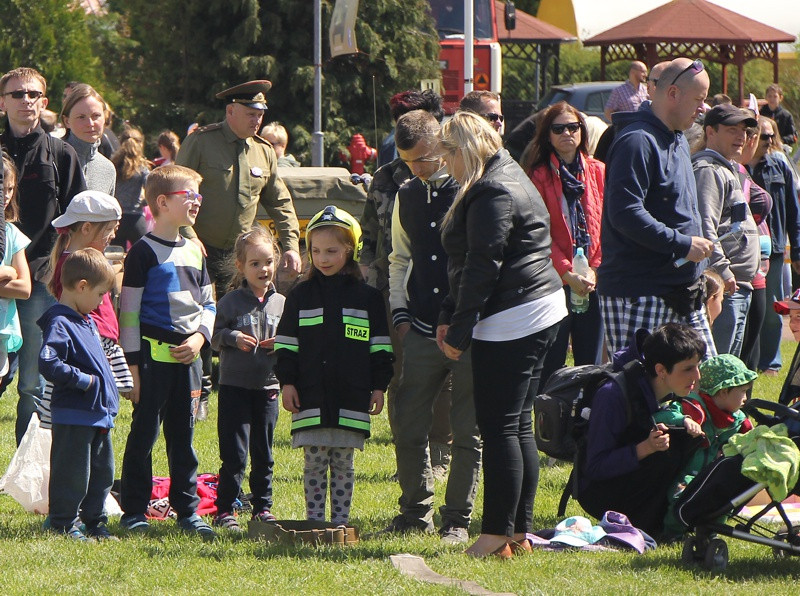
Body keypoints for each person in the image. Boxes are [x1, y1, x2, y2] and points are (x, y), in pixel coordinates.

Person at [438, 111, 566, 558]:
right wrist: (451, 312)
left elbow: (482, 264)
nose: (444, 163)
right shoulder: (508, 171)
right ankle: (517, 533)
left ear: (464, 150)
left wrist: (459, 327)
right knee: (517, 425)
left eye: (446, 153)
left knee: (499, 429)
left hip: (515, 316)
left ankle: (495, 535)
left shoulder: (491, 187)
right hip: (539, 308)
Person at [381, 110, 480, 544]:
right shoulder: (406, 192)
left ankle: (457, 518)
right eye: (408, 161)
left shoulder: (471, 188)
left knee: (466, 429)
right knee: (407, 421)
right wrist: (400, 313)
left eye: (424, 158)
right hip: (419, 326)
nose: (417, 169)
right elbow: (399, 258)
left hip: (467, 329)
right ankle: (414, 511)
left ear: (442, 145)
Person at [176, 79, 301, 421]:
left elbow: (280, 201)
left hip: (243, 258)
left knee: (241, 321)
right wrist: (187, 234)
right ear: (230, 111)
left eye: (260, 113)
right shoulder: (201, 142)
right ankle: (198, 392)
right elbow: (179, 189)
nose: (256, 120)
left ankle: (245, 383)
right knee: (198, 319)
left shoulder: (263, 151)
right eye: (249, 113)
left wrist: (290, 245)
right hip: (200, 248)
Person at [274, 206, 393, 525]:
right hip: (310, 397)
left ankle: (339, 523)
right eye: (315, 250)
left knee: (343, 464)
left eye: (332, 250)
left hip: (350, 398)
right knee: (313, 464)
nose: (323, 258)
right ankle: (316, 523)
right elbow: (286, 343)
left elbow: (380, 346)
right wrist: (287, 382)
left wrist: (379, 386)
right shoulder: (300, 295)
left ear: (350, 250)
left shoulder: (368, 299)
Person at [118, 164, 217, 539]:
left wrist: (199, 340)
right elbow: (128, 314)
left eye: (198, 196)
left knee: (185, 437)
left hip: (189, 360)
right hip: (151, 359)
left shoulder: (195, 250)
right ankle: (134, 510)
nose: (196, 203)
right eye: (189, 196)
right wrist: (133, 369)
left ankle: (188, 510)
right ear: (162, 202)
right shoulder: (142, 253)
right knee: (144, 434)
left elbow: (209, 305)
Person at [359, 89, 453, 477]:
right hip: (393, 288)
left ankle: (441, 452)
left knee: (444, 380)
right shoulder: (386, 179)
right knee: (400, 377)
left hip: (441, 291)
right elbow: (370, 234)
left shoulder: (455, 177)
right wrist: (367, 273)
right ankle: (408, 458)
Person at [598, 58, 716, 356]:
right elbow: (625, 213)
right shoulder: (636, 141)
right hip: (639, 293)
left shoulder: (675, 137)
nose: (703, 108)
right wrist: (682, 244)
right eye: (699, 99)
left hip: (681, 290)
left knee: (710, 387)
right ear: (673, 94)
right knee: (640, 395)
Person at [0, 67, 86, 445]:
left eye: (33, 94)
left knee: (32, 384)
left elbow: (76, 221)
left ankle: (23, 471)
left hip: (40, 282)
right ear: (2, 102)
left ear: (45, 102)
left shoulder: (61, 154)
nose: (26, 100)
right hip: (0, 278)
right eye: (17, 94)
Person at [578, 323, 706, 537]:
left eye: (697, 366)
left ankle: (672, 518)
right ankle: (649, 525)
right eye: (688, 369)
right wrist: (645, 448)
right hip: (599, 493)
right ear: (661, 370)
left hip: (633, 481)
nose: (697, 376)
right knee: (667, 452)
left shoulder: (672, 391)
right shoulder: (613, 395)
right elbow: (595, 467)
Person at [38, 248, 119, 541]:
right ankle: (62, 521)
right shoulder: (60, 322)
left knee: (102, 472)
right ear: (82, 286)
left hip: (98, 414)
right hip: (75, 414)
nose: (101, 302)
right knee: (73, 473)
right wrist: (83, 381)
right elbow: (48, 362)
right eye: (100, 295)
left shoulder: (86, 320)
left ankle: (95, 521)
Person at [524, 102, 605, 392]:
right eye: (559, 129)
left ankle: (588, 420)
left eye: (574, 127)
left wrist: (594, 269)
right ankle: (550, 422)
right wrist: (567, 273)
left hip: (592, 278)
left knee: (591, 361)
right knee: (553, 360)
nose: (567, 133)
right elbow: (538, 233)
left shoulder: (598, 171)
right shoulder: (538, 175)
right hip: (554, 280)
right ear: (548, 135)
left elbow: (604, 225)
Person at [211, 225, 285, 532]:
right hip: (234, 387)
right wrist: (232, 337)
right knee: (235, 452)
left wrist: (281, 343)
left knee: (263, 452)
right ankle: (225, 509)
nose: (263, 269)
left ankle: (262, 507)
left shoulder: (281, 302)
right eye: (255, 263)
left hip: (268, 387)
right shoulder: (230, 303)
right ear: (241, 267)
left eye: (268, 262)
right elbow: (213, 338)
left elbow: (294, 339)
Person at [38, 190, 132, 428]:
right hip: (88, 345)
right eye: (109, 229)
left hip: (100, 341)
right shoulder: (75, 264)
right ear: (87, 228)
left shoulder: (82, 260)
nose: (112, 236)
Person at [653, 353, 755, 539]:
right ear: (723, 391)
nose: (746, 398)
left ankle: (709, 534)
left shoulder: (738, 420)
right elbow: (660, 416)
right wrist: (683, 420)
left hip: (716, 475)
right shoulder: (694, 408)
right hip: (688, 472)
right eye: (743, 391)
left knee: (723, 502)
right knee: (679, 499)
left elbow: (749, 439)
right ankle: (671, 534)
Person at [692, 104, 761, 356]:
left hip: (738, 284)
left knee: (727, 369)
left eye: (744, 130)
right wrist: (723, 270)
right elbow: (704, 226)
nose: (741, 136)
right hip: (724, 287)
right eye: (732, 130)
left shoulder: (725, 167)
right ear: (710, 132)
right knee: (715, 370)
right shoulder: (708, 170)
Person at [749, 115, 800, 375]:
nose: (769, 141)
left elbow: (794, 209)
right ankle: (748, 359)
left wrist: (798, 248)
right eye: (764, 136)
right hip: (745, 249)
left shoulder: (779, 165)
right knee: (745, 308)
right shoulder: (739, 166)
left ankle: (770, 363)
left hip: (775, 248)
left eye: (772, 136)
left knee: (772, 310)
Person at [594, 61, 670, 164]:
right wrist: (620, 126)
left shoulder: (645, 90)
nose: (645, 75)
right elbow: (608, 111)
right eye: (643, 71)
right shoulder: (619, 91)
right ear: (633, 72)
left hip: (646, 131)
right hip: (627, 135)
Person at [0, 153, 31, 380]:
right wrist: (7, 272)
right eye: (2, 188)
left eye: (10, 189)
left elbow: (24, 288)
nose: (6, 196)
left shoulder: (12, 234)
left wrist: (13, 273)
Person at [60, 83, 116, 196]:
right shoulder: (53, 159)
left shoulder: (107, 169)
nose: (90, 124)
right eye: (81, 117)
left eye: (96, 116)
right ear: (67, 121)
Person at [111, 126, 150, 248]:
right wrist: (143, 203)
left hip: (116, 218)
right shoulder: (142, 167)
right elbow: (151, 191)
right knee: (144, 254)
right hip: (136, 219)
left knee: (114, 257)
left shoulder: (113, 164)